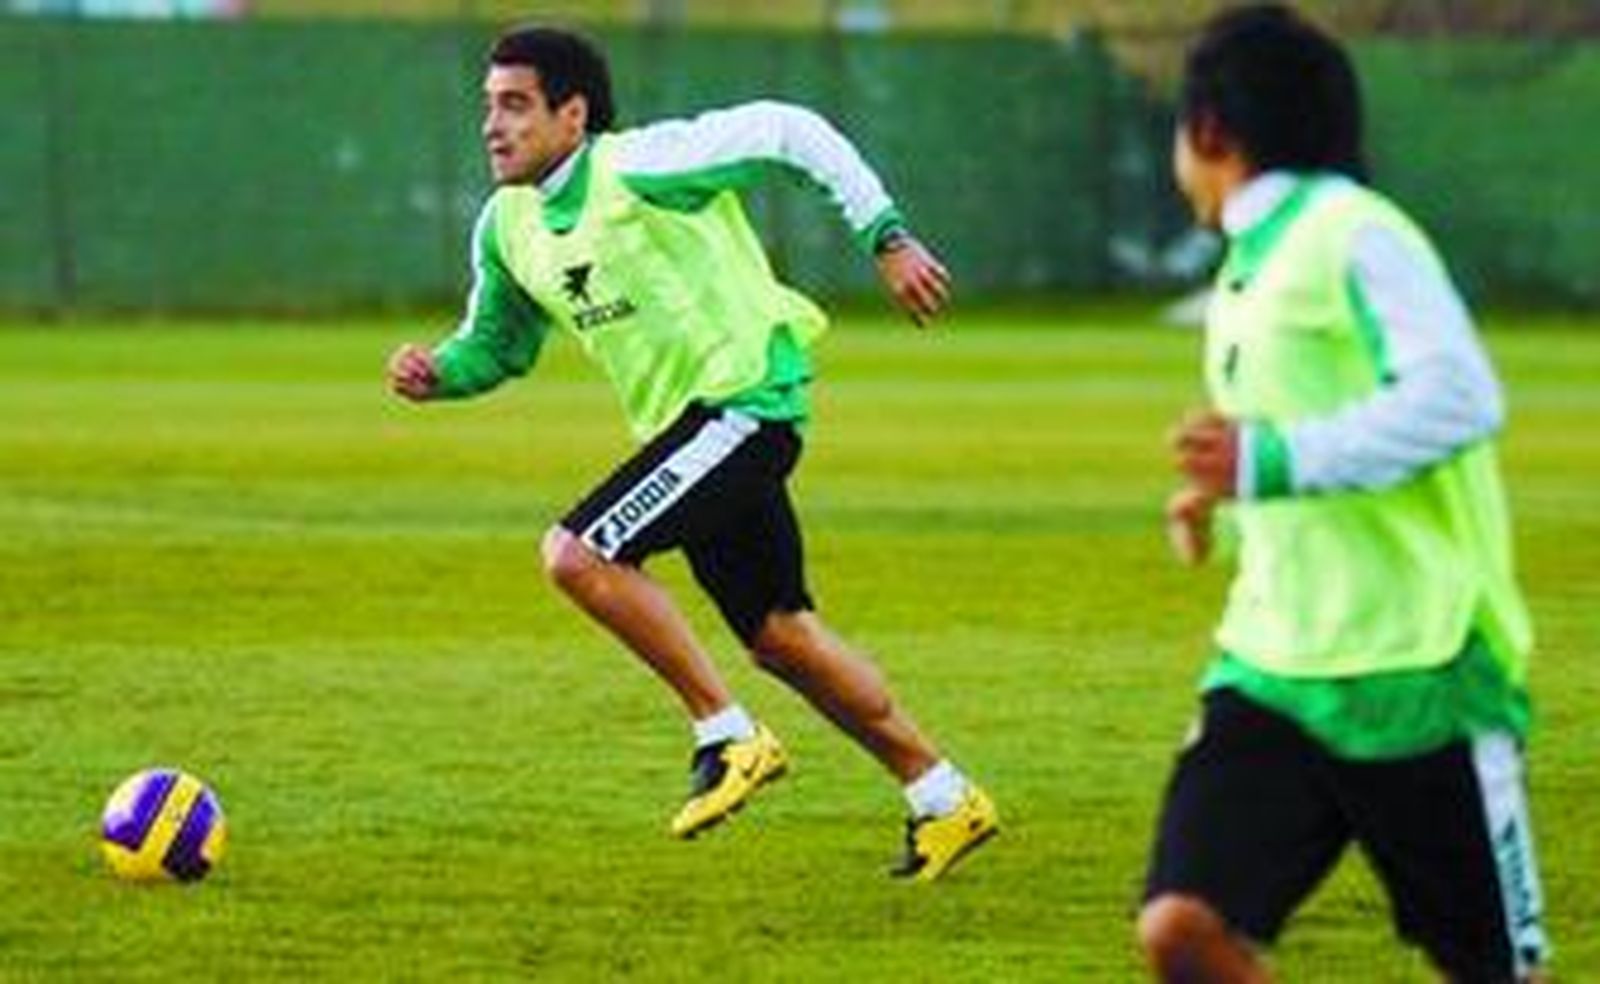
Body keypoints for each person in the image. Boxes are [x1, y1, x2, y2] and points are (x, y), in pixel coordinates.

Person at [386, 26, 996, 881]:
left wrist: (886, 236)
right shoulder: (505, 227)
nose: (493, 125)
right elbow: (497, 345)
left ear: (574, 112)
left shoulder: (643, 166)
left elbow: (792, 130)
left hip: (745, 404)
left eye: (516, 105)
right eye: (488, 107)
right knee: (783, 638)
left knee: (578, 553)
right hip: (696, 436)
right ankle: (943, 795)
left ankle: (728, 735)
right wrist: (437, 373)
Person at [1139, 5, 1549, 980]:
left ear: (1207, 132)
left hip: (1420, 663)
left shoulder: (1353, 231)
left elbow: (1458, 395)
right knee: (1181, 927)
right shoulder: (1255, 258)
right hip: (1273, 663)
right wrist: (1225, 491)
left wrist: (1266, 463)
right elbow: (1299, 431)